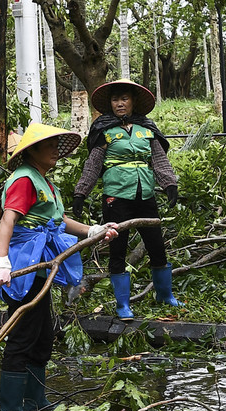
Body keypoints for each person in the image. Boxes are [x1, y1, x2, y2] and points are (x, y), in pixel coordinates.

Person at [0, 123, 118, 411]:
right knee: (23, 334)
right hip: (26, 263)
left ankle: (35, 399)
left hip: (44, 262)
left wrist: (93, 230)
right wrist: (1, 260)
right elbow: (8, 220)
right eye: (48, 145)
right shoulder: (24, 180)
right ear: (31, 151)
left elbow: (58, 220)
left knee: (43, 334)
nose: (54, 151)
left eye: (56, 146)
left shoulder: (43, 181)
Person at [71, 79, 182, 320]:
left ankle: (165, 295)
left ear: (133, 102)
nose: (120, 104)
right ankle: (123, 305)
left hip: (146, 195)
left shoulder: (146, 129)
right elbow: (93, 165)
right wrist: (81, 193)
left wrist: (170, 184)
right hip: (116, 197)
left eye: (124, 99)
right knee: (118, 249)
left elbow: (159, 159)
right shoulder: (104, 130)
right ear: (109, 104)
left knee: (156, 246)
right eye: (115, 100)